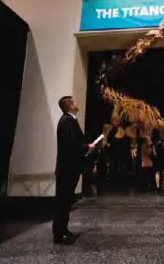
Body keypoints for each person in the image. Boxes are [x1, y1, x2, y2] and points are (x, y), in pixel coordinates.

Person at [52, 96, 94, 245]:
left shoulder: (69, 120)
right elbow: (71, 145)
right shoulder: (67, 121)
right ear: (70, 106)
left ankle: (63, 231)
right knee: (63, 202)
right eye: (74, 101)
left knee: (66, 201)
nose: (77, 103)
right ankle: (59, 234)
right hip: (67, 169)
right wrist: (86, 148)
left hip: (69, 168)